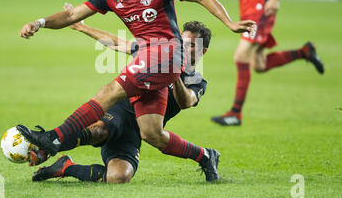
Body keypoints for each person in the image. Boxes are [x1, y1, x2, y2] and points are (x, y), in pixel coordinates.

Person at [16, 0, 255, 174]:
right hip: (148, 58)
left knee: (108, 91)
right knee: (151, 132)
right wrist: (40, 23)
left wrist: (231, 23)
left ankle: (53, 138)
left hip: (167, 55)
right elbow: (72, 15)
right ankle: (205, 156)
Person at [28, 19, 216, 183]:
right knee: (99, 130)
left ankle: (66, 167)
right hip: (120, 111)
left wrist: (174, 74)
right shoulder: (156, 54)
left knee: (118, 177)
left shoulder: (196, 81)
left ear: (203, 51)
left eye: (190, 44)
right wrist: (82, 27)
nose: (183, 47)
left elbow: (186, 102)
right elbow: (118, 43)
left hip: (137, 132)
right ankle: (46, 147)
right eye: (181, 41)